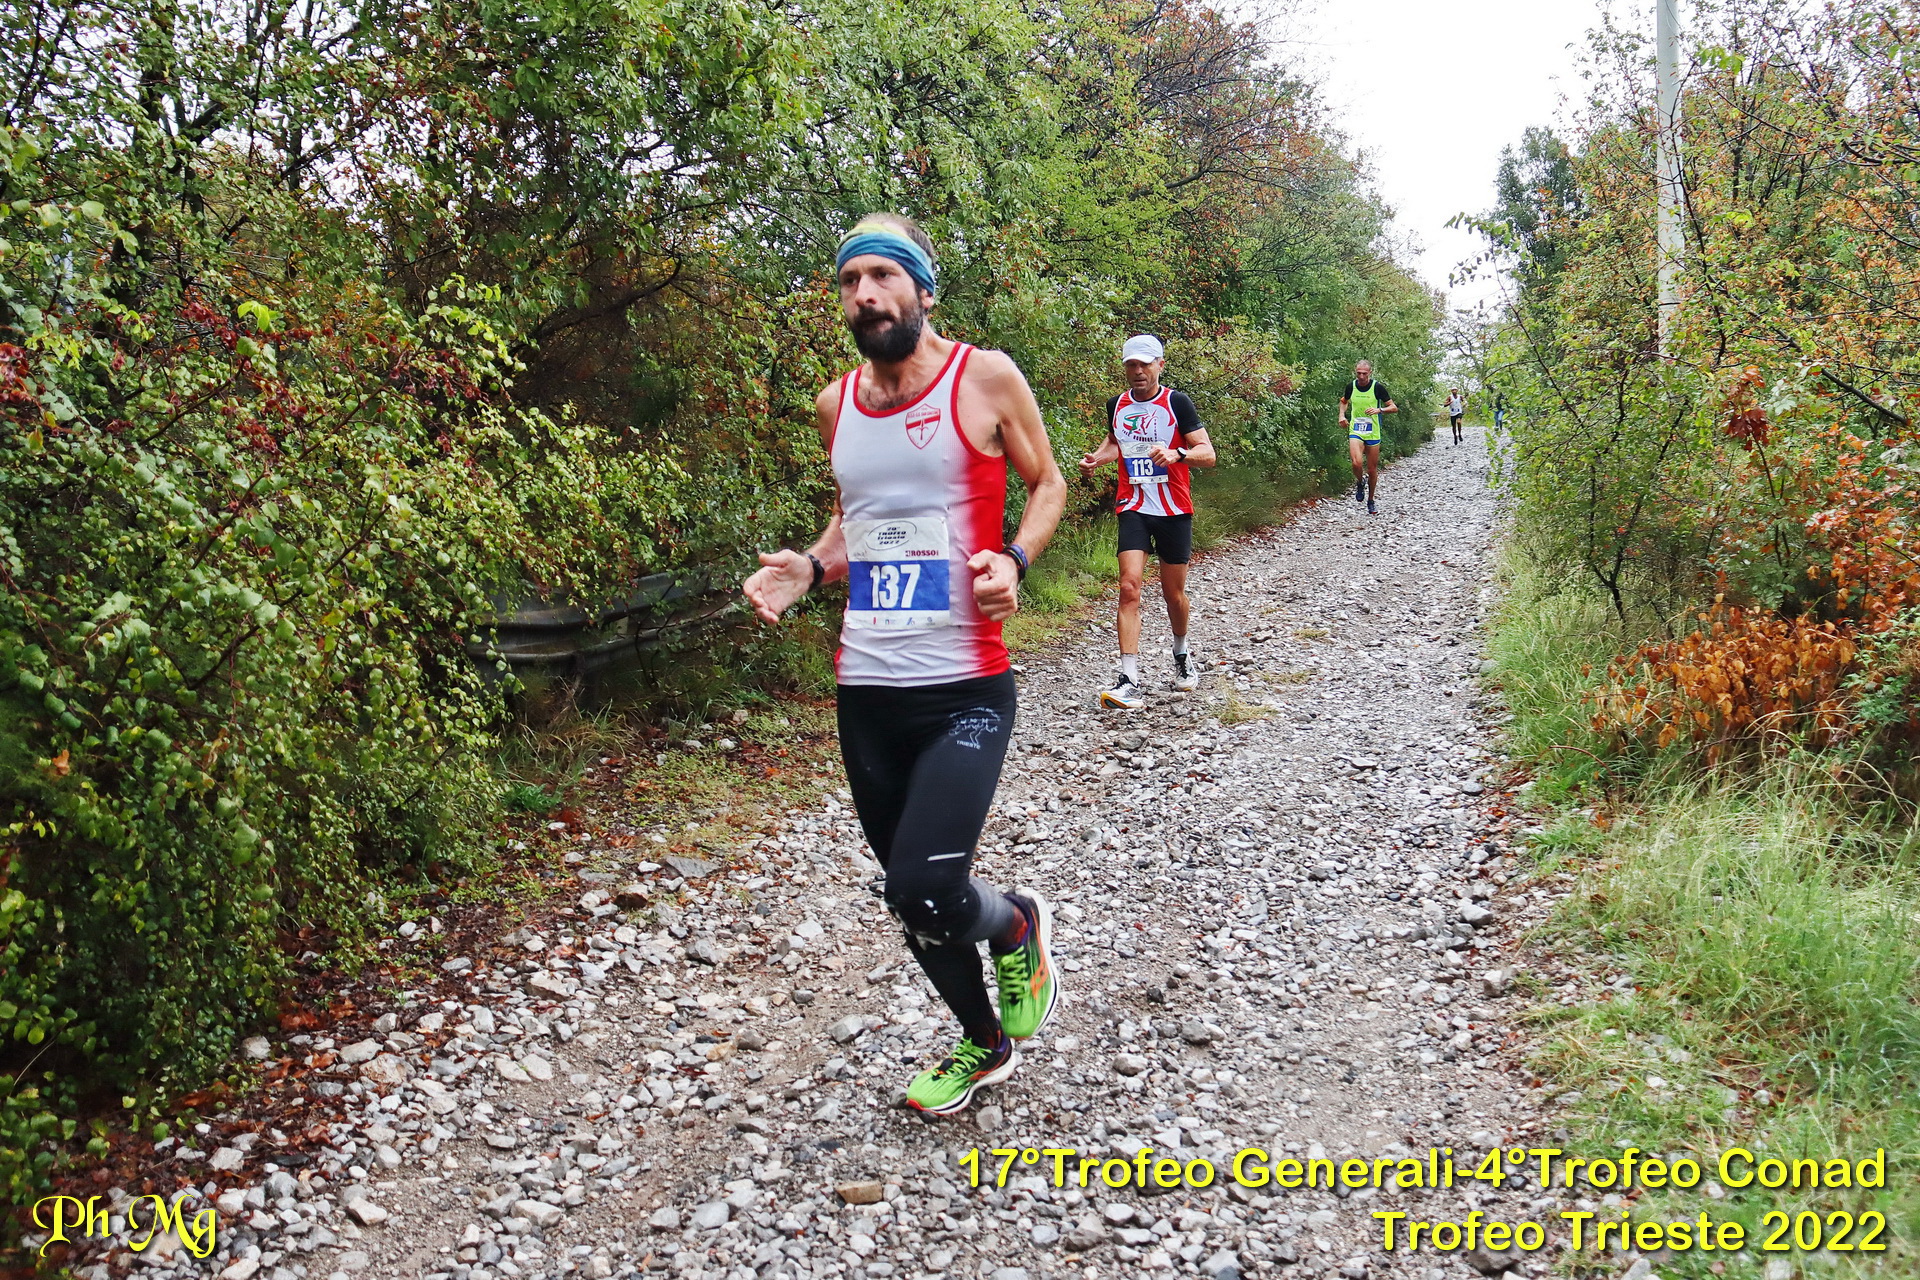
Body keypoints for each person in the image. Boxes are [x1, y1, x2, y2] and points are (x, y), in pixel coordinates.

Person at [742, 214, 1067, 1116]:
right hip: (867, 687)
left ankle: (1015, 924)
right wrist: (810, 567)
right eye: (850, 281)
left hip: (966, 683)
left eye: (884, 276)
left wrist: (1017, 558)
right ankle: (982, 1042)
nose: (865, 295)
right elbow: (860, 517)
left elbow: (1049, 483)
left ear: (924, 291)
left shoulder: (984, 377)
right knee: (909, 897)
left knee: (928, 882)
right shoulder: (834, 404)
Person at [1077, 334, 1217, 710]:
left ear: (1159, 365)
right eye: (1130, 365)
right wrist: (1097, 459)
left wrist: (1178, 453)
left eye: (1144, 364)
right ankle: (1128, 679)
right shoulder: (1117, 405)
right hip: (1133, 505)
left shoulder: (1176, 403)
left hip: (1173, 509)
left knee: (1174, 595)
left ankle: (1182, 653)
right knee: (1129, 587)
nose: (1137, 372)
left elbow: (1208, 454)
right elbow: (1114, 443)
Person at [1339, 359, 1397, 515]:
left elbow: (1393, 407)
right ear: (1355, 372)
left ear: (1370, 372)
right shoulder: (1351, 386)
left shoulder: (1377, 387)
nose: (1361, 376)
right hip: (1356, 430)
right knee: (1356, 463)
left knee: (1372, 470)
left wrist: (1380, 410)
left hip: (1372, 432)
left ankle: (1371, 500)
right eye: (1358, 373)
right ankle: (1360, 481)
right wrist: (1342, 415)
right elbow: (1344, 401)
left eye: (1364, 373)